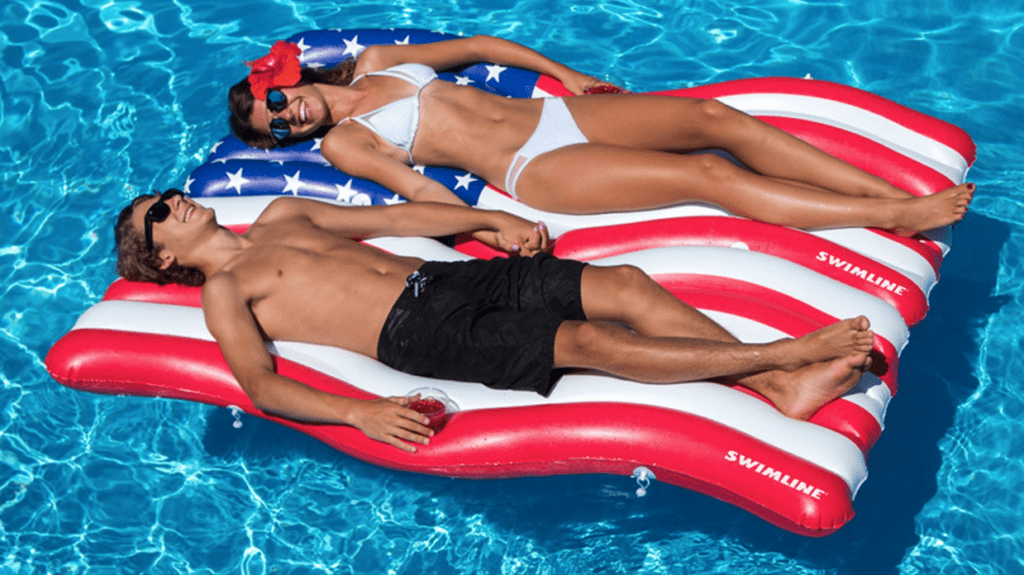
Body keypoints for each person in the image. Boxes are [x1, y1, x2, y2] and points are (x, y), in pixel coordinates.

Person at [115, 189, 875, 452]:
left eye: (165, 193)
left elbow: (394, 214)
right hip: (413, 333)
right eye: (158, 214)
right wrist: (359, 410)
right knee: (585, 343)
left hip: (446, 277)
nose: (171, 199)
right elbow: (258, 382)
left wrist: (484, 216)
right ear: (163, 260)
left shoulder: (283, 215)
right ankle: (786, 355)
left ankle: (780, 385)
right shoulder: (224, 291)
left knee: (627, 285)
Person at [227, 35, 973, 244]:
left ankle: (882, 191)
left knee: (715, 121)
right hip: (531, 165)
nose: (292, 119)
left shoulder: (381, 62)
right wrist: (496, 222)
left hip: (560, 116)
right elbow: (418, 192)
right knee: (706, 174)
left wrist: (568, 73)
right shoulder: (344, 144)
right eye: (280, 130)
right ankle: (891, 216)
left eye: (280, 105)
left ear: (286, 79)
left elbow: (485, 44)